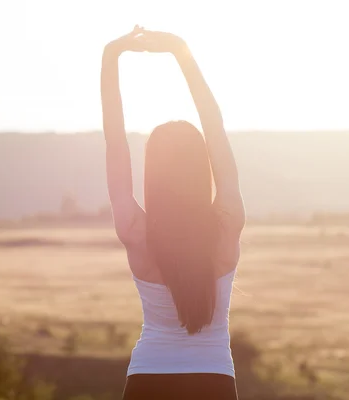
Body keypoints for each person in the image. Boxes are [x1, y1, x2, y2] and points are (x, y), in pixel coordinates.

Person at [100, 25, 246, 400]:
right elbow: (215, 126)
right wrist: (182, 53)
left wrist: (111, 58)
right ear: (203, 169)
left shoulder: (135, 229)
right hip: (214, 381)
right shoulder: (227, 222)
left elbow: (115, 144)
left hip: (148, 380)